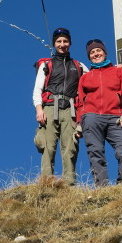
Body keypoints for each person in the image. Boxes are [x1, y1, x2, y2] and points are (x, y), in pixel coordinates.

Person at [32, 27, 88, 185]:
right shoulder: (46, 65)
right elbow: (37, 89)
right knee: (48, 146)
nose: (62, 44)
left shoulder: (79, 66)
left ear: (70, 43)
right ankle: (46, 181)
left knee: (70, 147)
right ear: (54, 44)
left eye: (65, 41)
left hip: (70, 109)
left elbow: (93, 80)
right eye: (59, 41)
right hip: (49, 107)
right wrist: (39, 110)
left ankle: (68, 182)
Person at [75, 39, 122, 185]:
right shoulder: (85, 77)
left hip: (115, 117)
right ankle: (102, 187)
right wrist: (78, 122)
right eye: (92, 52)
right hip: (91, 117)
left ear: (105, 52)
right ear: (89, 57)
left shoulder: (118, 71)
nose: (96, 54)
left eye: (98, 50)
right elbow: (80, 101)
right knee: (95, 152)